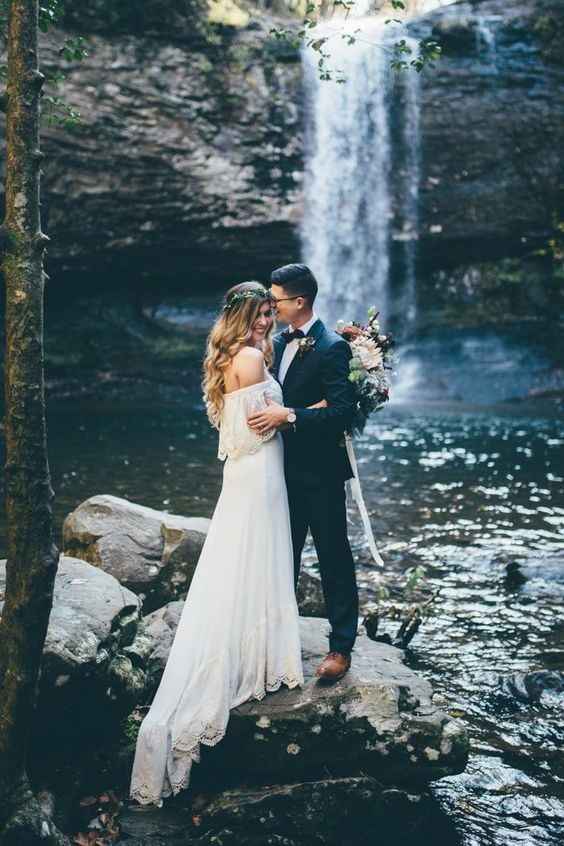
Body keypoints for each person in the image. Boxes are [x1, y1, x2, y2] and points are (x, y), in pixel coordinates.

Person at [129, 281, 304, 807]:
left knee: (246, 558)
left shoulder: (237, 354)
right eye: (259, 315)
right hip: (257, 472)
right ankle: (252, 655)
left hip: (251, 475)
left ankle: (259, 647)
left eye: (270, 314)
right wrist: (292, 414)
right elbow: (252, 433)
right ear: (242, 317)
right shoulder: (249, 358)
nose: (266, 322)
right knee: (254, 555)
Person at [247, 263, 359, 683]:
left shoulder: (332, 347)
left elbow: (343, 411)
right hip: (278, 470)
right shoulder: (275, 342)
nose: (270, 308)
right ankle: (277, 642)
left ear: (299, 301)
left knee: (333, 557)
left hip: (321, 472)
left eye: (275, 301)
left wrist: (289, 415)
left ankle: (341, 646)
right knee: (281, 557)